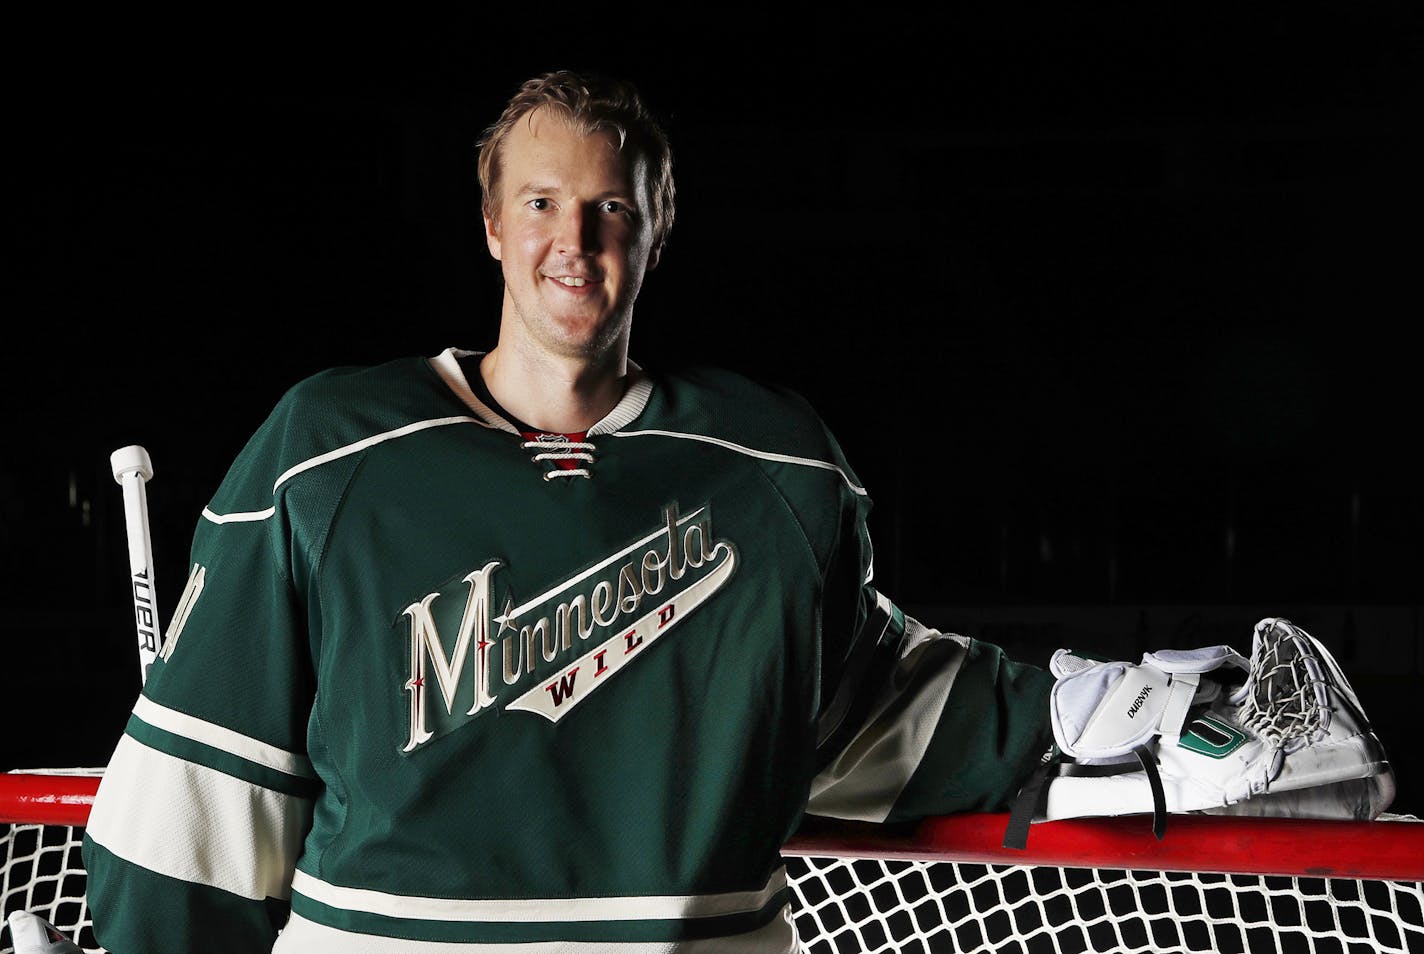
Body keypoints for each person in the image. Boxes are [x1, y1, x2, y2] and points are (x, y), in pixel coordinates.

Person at [78, 70, 1393, 953]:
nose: (572, 243)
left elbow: (878, 710)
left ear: (657, 230)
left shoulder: (773, 462)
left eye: (609, 209)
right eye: (540, 203)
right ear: (489, 224)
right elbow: (198, 797)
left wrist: (1151, 725)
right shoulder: (329, 449)